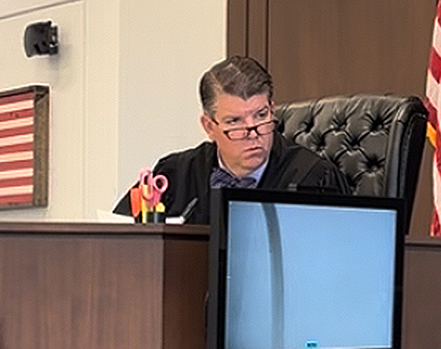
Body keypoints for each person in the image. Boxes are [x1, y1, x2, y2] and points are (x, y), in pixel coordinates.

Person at [114, 55, 350, 224]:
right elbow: (123, 241)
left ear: (272, 109)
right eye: (235, 122)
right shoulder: (175, 173)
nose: (253, 133)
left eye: (261, 116)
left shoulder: (316, 178)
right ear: (209, 126)